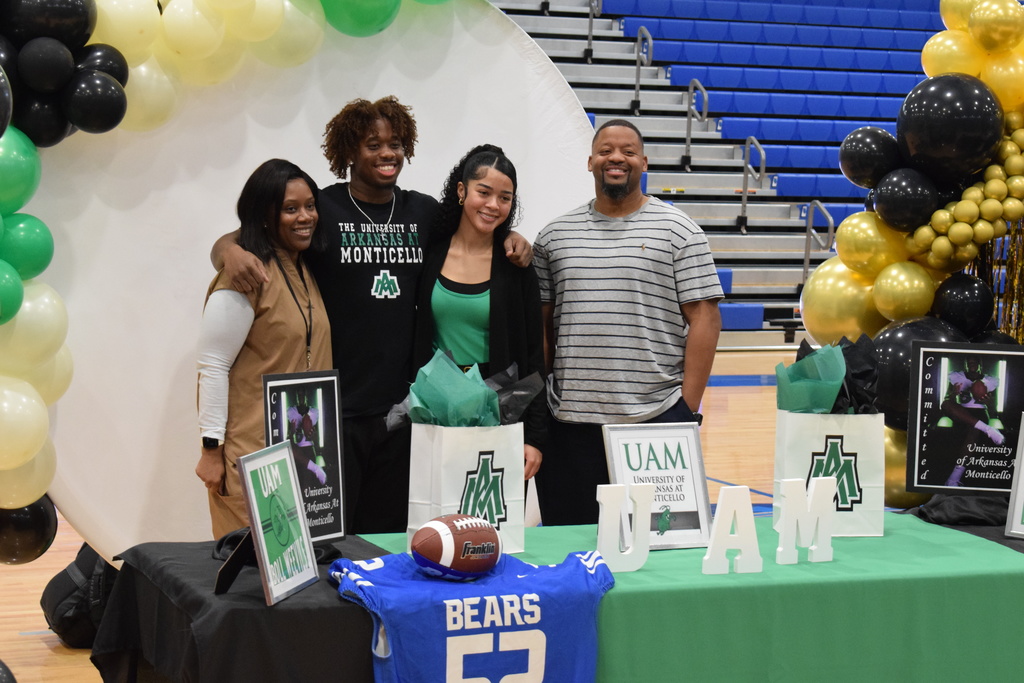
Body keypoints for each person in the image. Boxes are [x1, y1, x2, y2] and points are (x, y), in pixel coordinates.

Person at [211, 96, 532, 534]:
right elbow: (251, 232)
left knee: (386, 537)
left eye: (396, 142)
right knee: (331, 538)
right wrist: (227, 250)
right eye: (372, 143)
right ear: (349, 152)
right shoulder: (323, 208)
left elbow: (477, 217)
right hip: (331, 412)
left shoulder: (421, 212)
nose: (387, 153)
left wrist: (513, 235)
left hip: (402, 410)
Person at [532, 119, 723, 525]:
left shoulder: (680, 231)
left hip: (654, 422)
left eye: (628, 151)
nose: (616, 158)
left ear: (644, 162)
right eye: (605, 151)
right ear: (589, 162)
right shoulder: (553, 237)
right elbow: (542, 328)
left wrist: (686, 409)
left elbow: (705, 319)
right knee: (572, 548)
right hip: (569, 424)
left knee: (658, 555)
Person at [196, 159, 332, 538]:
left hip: (302, 453)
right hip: (251, 456)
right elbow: (212, 366)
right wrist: (211, 451)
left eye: (309, 206)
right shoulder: (244, 276)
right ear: (265, 216)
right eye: (291, 208)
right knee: (251, 579)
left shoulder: (301, 268)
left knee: (293, 574)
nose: (304, 217)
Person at [413, 144, 546, 480]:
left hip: (498, 413)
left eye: (505, 198)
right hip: (433, 412)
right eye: (484, 192)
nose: (493, 205)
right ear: (462, 190)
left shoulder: (516, 266)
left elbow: (534, 357)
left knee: (489, 525)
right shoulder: (429, 252)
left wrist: (533, 437)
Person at [940, 355, 1003, 487]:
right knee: (945, 404)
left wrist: (989, 402)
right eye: (969, 363)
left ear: (980, 364)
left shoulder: (989, 381)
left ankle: (953, 478)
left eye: (974, 362)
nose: (971, 365)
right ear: (965, 365)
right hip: (962, 412)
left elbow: (993, 410)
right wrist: (954, 395)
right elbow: (948, 402)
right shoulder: (957, 378)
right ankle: (987, 429)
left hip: (979, 413)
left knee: (973, 431)